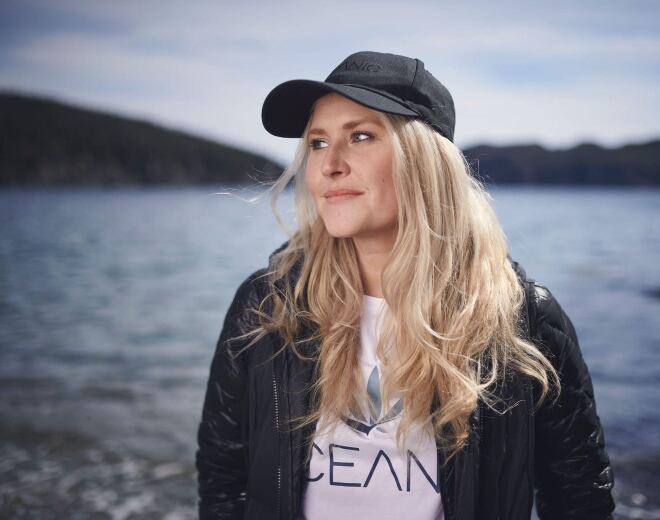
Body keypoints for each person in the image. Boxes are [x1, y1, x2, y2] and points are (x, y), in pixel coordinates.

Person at [196, 50, 615, 520]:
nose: (329, 164)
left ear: (423, 162)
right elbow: (222, 478)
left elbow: (581, 501)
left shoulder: (523, 320)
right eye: (316, 143)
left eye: (360, 136)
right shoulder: (267, 307)